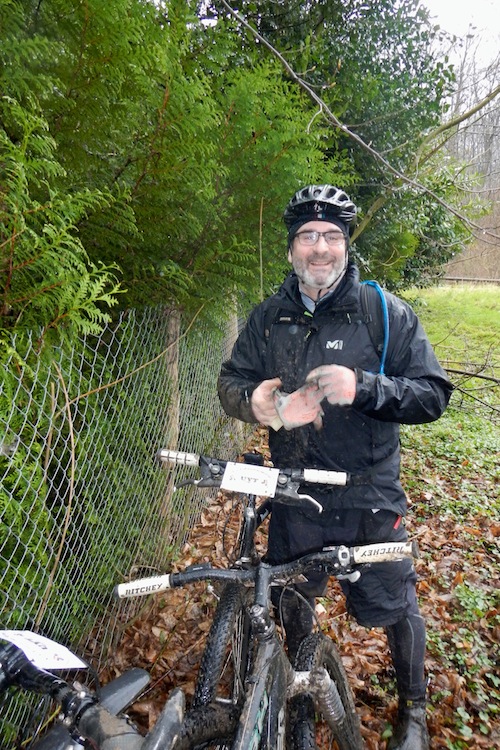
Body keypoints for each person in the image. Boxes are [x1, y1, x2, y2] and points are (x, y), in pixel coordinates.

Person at [217, 184, 453, 750]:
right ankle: (300, 683)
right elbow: (230, 381)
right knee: (292, 600)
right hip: (298, 496)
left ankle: (414, 711)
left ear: (345, 244)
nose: (318, 248)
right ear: (292, 248)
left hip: (370, 496)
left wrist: (365, 387)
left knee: (394, 605)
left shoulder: (383, 313)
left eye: (330, 236)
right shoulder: (269, 318)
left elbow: (433, 394)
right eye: (306, 236)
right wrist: (261, 405)